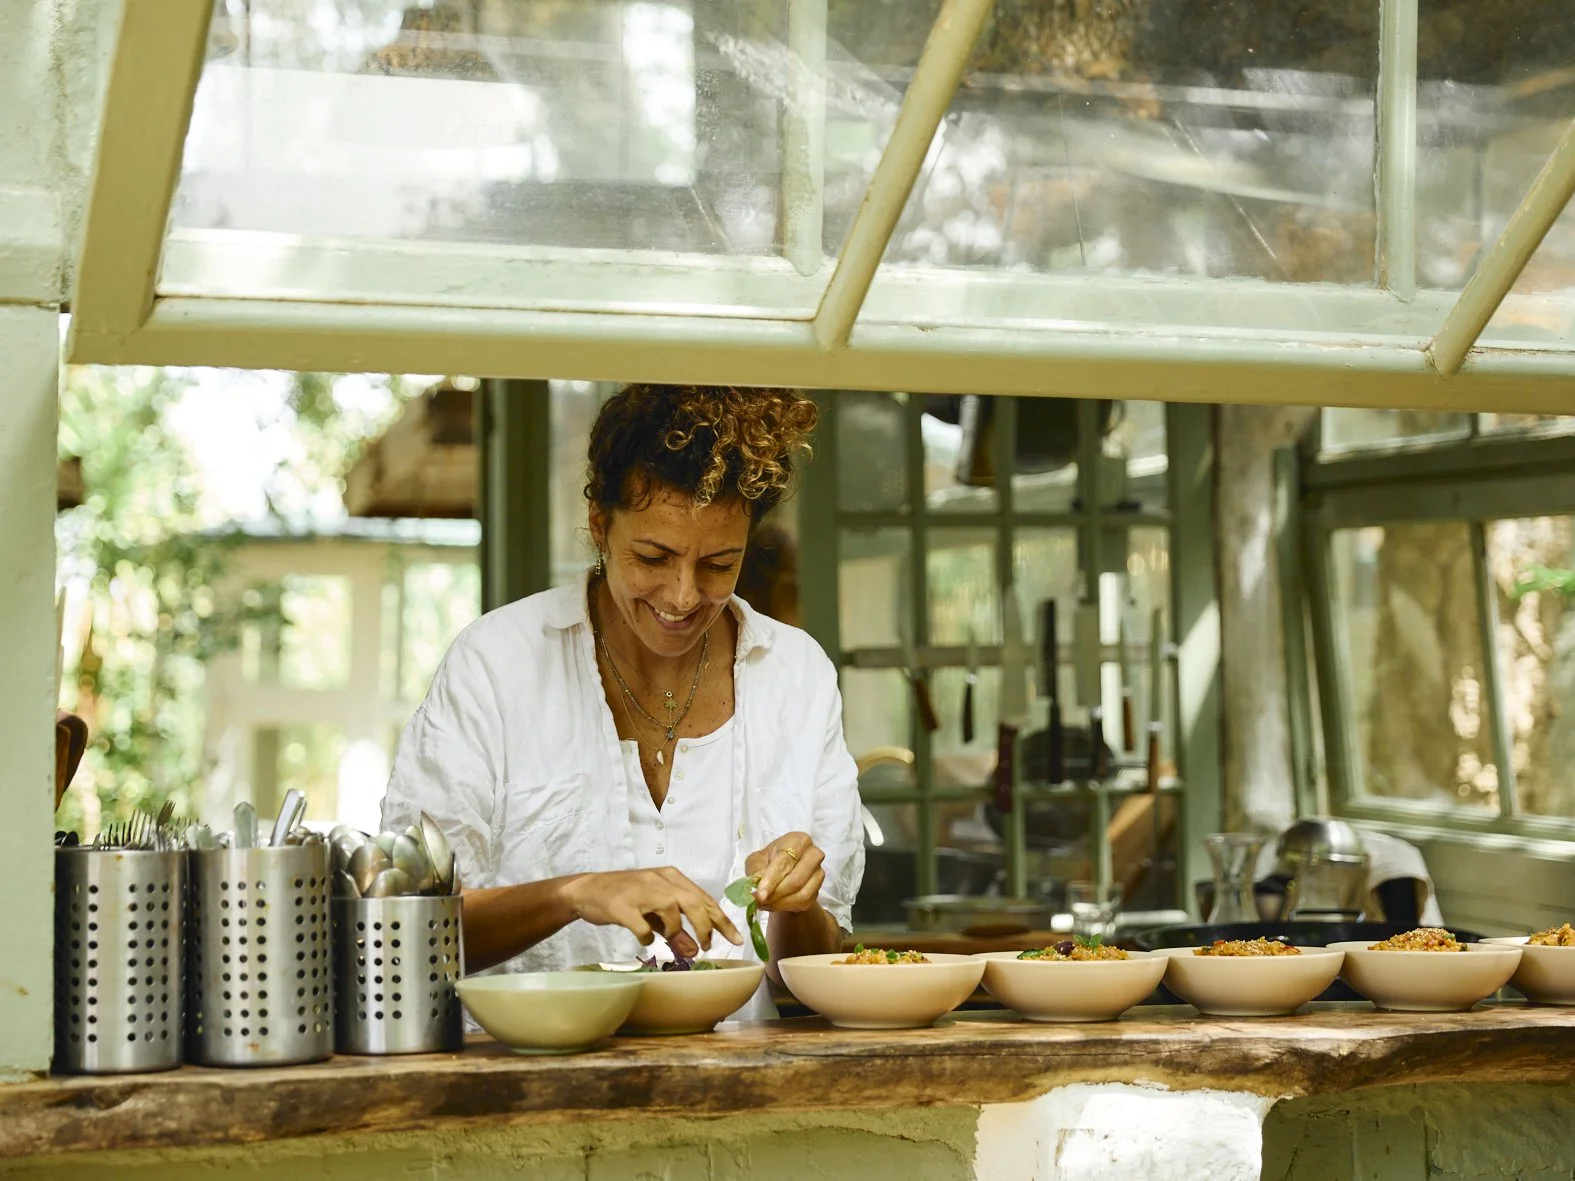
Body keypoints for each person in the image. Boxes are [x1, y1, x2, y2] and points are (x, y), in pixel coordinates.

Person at [381, 384, 864, 1016]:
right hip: (529, 1089)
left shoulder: (796, 675)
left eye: (720, 564)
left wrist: (799, 907)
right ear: (600, 526)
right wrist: (573, 893)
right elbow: (401, 932)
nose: (684, 596)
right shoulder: (497, 664)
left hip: (745, 1094)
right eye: (653, 556)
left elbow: (813, 969)